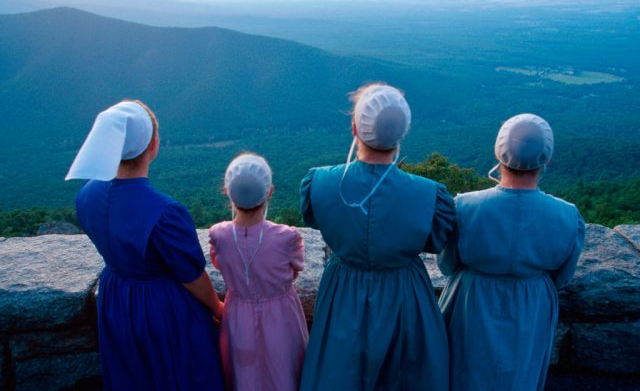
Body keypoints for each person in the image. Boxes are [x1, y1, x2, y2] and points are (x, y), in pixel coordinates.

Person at [299, 83, 454, 391]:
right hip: (405, 297)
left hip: (343, 294)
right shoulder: (429, 196)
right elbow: (437, 239)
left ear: (354, 127)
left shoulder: (319, 185)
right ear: (402, 132)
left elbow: (315, 219)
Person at [66, 100, 225, 390]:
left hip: (115, 296)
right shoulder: (166, 212)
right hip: (161, 308)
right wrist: (217, 306)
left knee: (132, 375)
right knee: (176, 375)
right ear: (153, 145)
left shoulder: (86, 195)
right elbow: (190, 275)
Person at [438, 113, 585, 391]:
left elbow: (447, 265)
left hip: (471, 302)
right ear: (546, 159)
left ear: (499, 154)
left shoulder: (463, 207)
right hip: (531, 305)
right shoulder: (567, 215)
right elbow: (562, 277)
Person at [209, 153, 308, 391]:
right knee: (283, 367)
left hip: (237, 315)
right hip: (282, 315)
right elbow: (293, 272)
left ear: (227, 192)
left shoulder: (219, 236)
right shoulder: (287, 237)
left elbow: (218, 264)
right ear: (270, 192)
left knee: (243, 373)